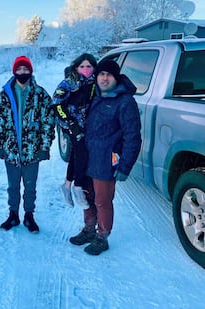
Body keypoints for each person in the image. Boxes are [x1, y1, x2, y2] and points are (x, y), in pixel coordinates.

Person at [69, 59, 142, 255]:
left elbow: (133, 136)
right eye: (101, 74)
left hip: (107, 161)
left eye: (109, 74)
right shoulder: (94, 96)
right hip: (88, 159)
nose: (104, 78)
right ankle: (89, 229)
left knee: (102, 200)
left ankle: (102, 236)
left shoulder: (125, 102)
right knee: (87, 197)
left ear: (116, 77)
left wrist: (125, 166)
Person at [0, 55, 55, 233]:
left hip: (32, 151)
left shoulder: (40, 95)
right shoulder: (5, 95)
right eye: (19, 69)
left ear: (31, 71)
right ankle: (13, 214)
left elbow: (48, 122)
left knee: (30, 186)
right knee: (12, 186)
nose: (22, 72)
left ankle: (29, 215)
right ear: (14, 71)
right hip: (11, 150)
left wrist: (44, 147)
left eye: (25, 69)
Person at [52, 53, 97, 209]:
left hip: (87, 125)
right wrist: (70, 123)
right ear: (76, 67)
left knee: (76, 154)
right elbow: (56, 104)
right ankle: (78, 187)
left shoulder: (94, 82)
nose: (85, 69)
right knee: (82, 152)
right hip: (71, 124)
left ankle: (66, 185)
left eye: (89, 66)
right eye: (82, 66)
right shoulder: (69, 82)